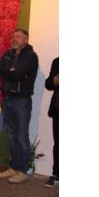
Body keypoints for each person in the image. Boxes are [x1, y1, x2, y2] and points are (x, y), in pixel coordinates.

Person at [0, 28, 39, 185]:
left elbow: (18, 74)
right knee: (11, 135)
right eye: (13, 36)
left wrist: (9, 71)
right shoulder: (8, 54)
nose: (14, 39)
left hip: (21, 101)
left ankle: (22, 170)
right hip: (7, 99)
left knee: (21, 136)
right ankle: (13, 167)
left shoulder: (31, 56)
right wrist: (9, 70)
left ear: (26, 40)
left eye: (18, 37)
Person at [44, 57, 58, 187]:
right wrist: (54, 80)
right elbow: (48, 84)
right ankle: (56, 175)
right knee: (58, 143)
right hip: (58, 108)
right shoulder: (57, 61)